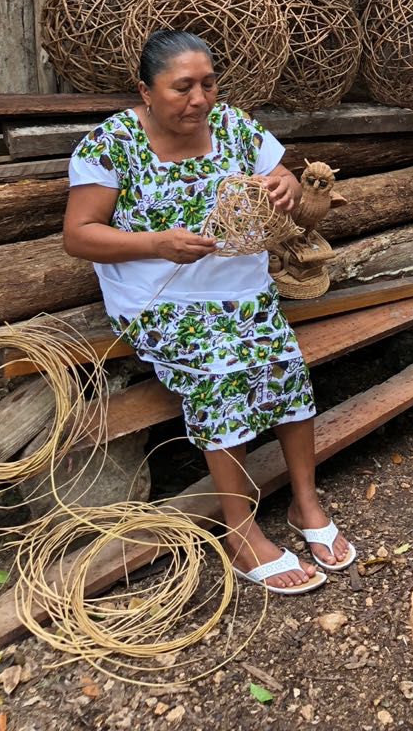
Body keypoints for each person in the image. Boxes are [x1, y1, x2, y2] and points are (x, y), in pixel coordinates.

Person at [63, 29, 355, 595]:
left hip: (240, 288)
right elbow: (79, 235)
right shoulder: (111, 144)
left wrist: (286, 185)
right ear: (146, 91)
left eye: (208, 84)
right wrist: (156, 243)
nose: (199, 99)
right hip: (160, 296)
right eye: (182, 88)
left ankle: (304, 502)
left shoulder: (233, 127)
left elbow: (284, 174)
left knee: (282, 364)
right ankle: (241, 531)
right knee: (223, 372)